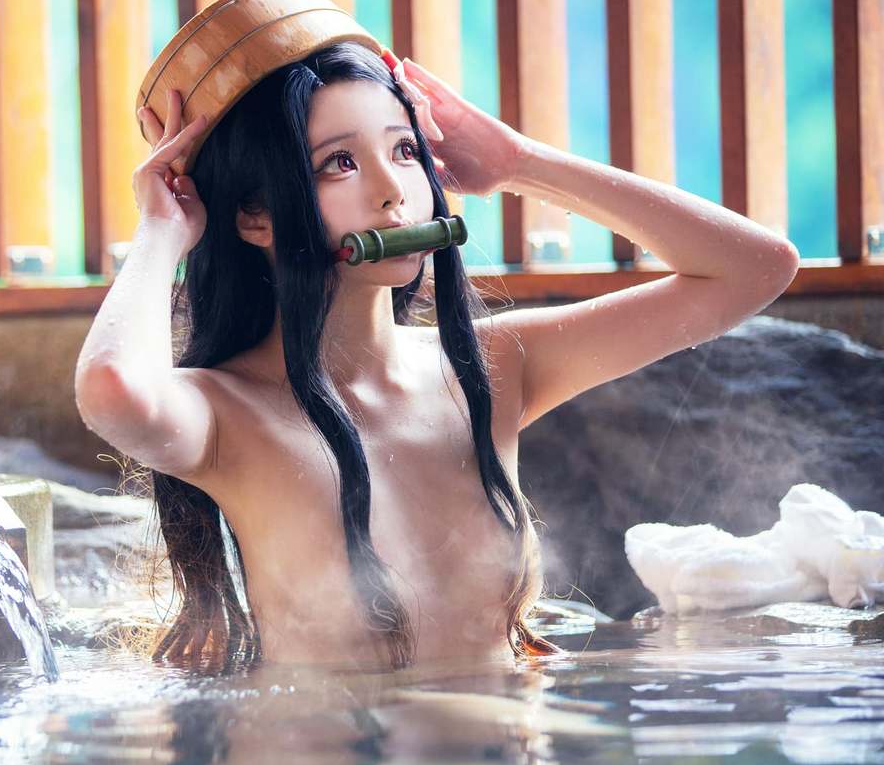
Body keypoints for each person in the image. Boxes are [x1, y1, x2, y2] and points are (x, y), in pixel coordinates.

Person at [74, 41, 799, 674]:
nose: (393, 191)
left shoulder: (492, 366)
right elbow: (110, 390)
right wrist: (163, 231)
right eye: (339, 163)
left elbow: (756, 269)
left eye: (404, 151)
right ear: (255, 217)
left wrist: (519, 162)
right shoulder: (224, 410)